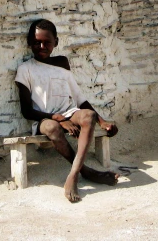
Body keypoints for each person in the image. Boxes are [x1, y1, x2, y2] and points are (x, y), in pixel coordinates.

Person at [15, 19, 119, 202]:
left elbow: (79, 98)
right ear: (29, 42)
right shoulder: (25, 69)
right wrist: (57, 118)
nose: (42, 46)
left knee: (89, 116)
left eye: (47, 42)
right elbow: (26, 111)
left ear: (56, 42)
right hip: (44, 118)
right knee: (52, 128)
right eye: (37, 42)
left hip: (69, 112)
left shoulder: (62, 63)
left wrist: (102, 122)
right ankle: (86, 171)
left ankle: (72, 175)